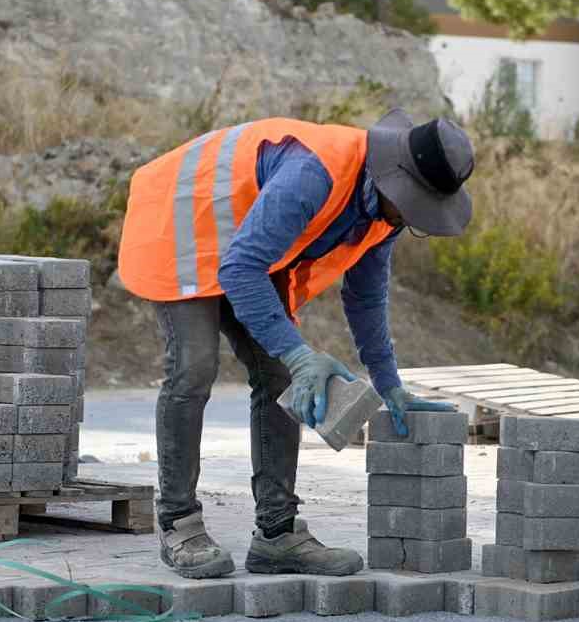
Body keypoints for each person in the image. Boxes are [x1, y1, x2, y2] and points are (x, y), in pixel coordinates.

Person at [117, 109, 475, 578]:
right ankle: (179, 523)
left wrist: (390, 385)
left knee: (281, 377)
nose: (411, 219)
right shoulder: (315, 173)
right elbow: (241, 268)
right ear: (396, 179)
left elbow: (367, 298)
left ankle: (277, 535)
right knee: (194, 365)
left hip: (248, 245)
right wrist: (303, 354)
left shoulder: (385, 215)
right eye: (415, 207)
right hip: (181, 221)